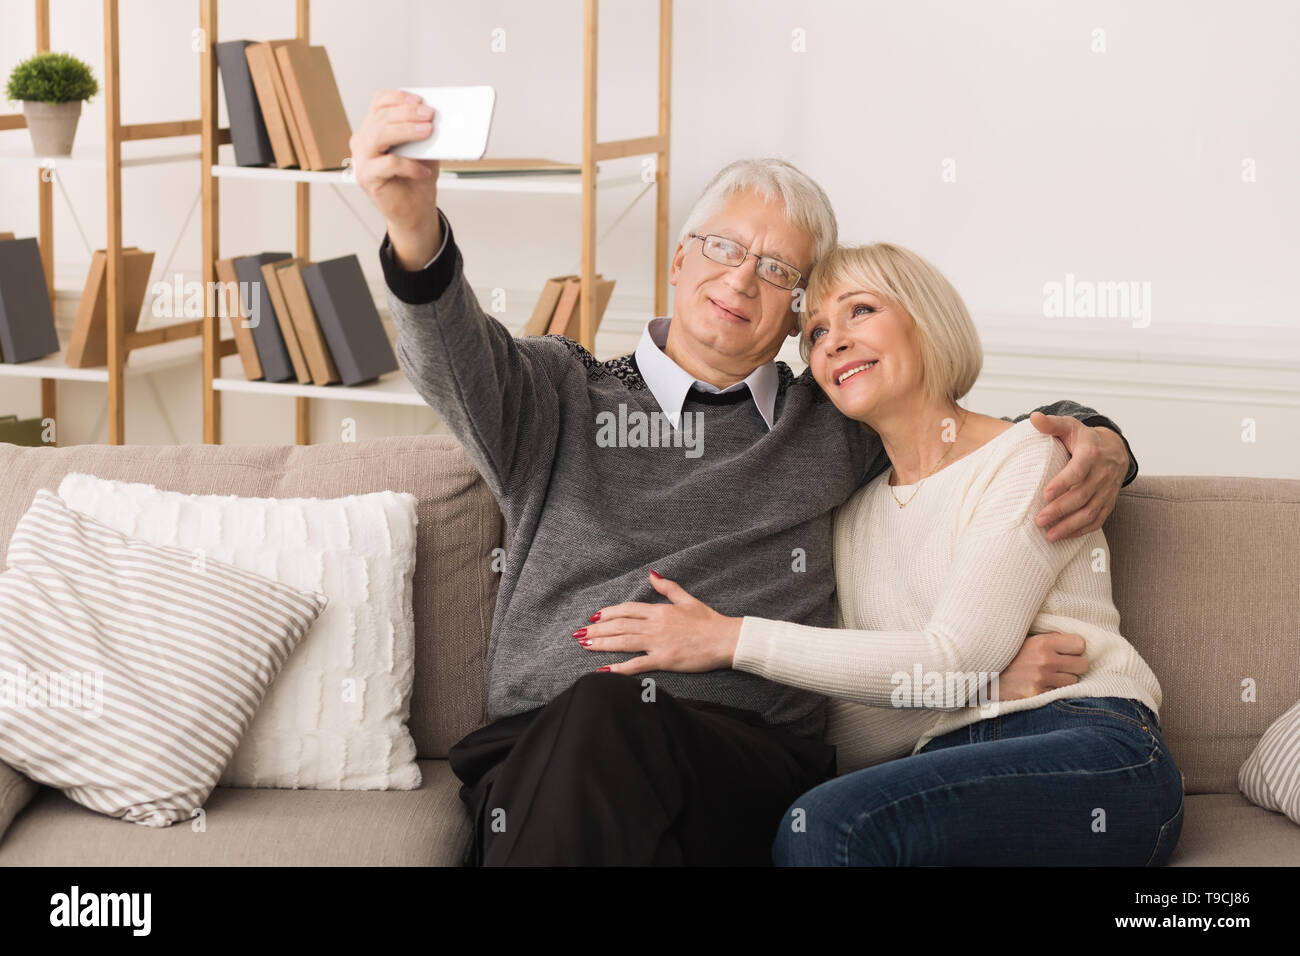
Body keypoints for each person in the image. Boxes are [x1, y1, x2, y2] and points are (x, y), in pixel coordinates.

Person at [350, 90, 1139, 865]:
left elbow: (968, 434)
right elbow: (451, 356)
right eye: (724, 248)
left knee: (610, 711)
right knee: (599, 718)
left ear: (797, 314)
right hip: (538, 753)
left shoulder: (832, 420)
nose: (740, 281)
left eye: (775, 269)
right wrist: (414, 229)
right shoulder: (558, 391)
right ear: (680, 257)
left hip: (744, 765)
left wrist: (1099, 437)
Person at [578, 242, 1184, 866]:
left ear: (926, 320)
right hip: (938, 766)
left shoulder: (1030, 456)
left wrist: (729, 638)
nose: (833, 341)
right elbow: (843, 728)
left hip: (1085, 744)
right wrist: (977, 689)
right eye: (815, 332)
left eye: (860, 310)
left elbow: (953, 655)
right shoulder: (851, 514)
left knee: (827, 827)